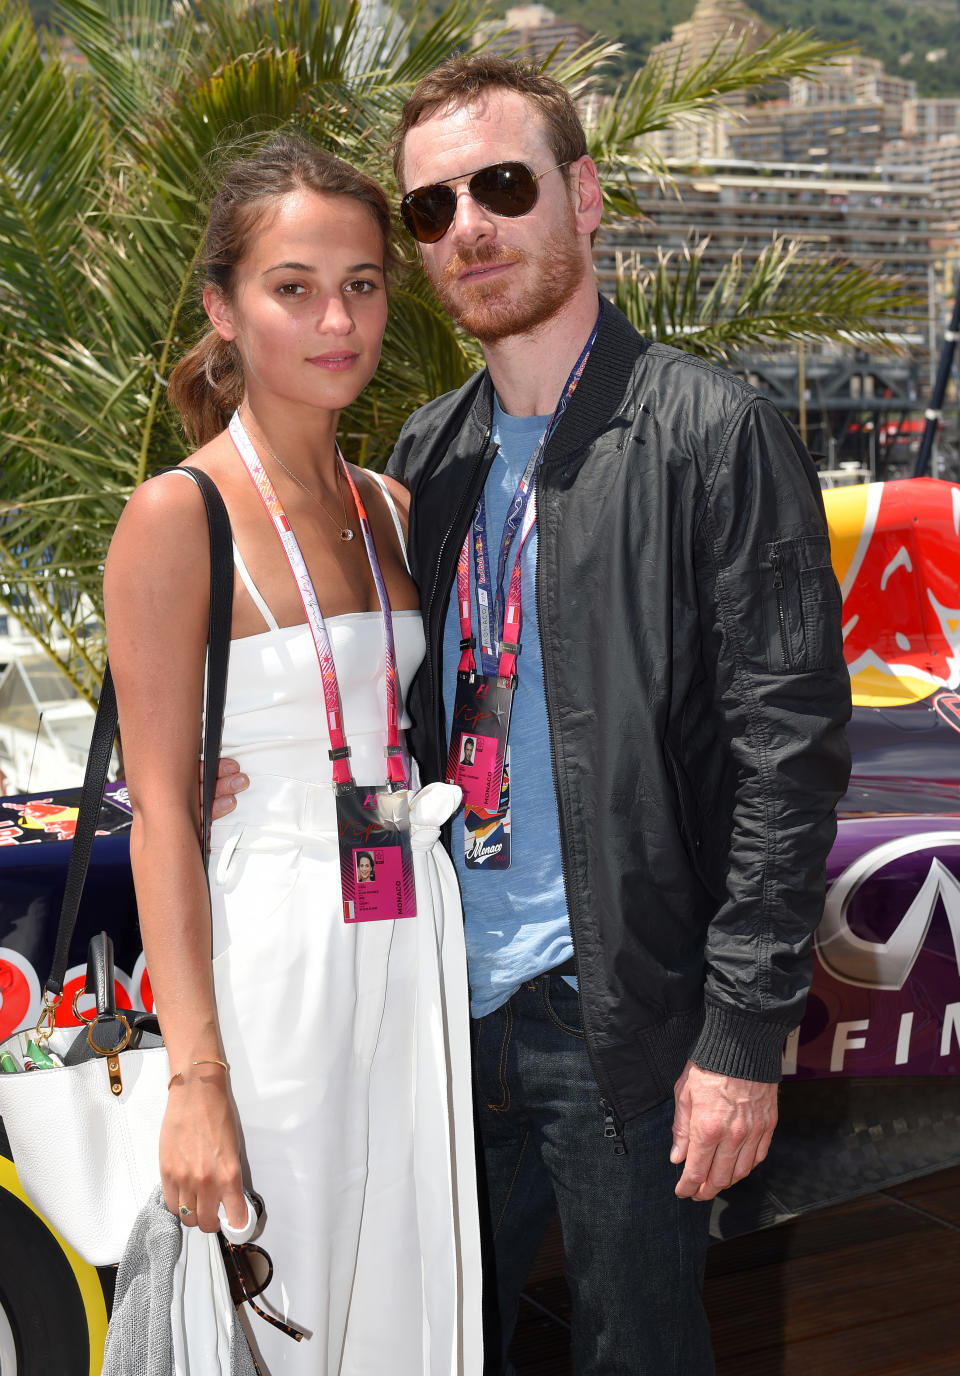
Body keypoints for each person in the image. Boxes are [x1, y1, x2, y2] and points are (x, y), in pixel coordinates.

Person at [215, 56, 851, 1375]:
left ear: (585, 195)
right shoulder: (423, 466)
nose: (470, 230)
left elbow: (788, 759)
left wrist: (740, 1042)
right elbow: (377, 720)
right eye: (434, 210)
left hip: (620, 1019)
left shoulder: (709, 436)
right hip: (437, 1013)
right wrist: (237, 772)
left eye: (501, 186)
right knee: (448, 1347)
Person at [104, 135, 481, 1375]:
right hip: (270, 948)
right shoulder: (178, 512)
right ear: (224, 305)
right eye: (294, 285)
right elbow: (161, 807)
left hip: (408, 928)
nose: (338, 318)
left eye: (364, 283)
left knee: (405, 1296)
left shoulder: (394, 505)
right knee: (284, 1304)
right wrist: (195, 1077)